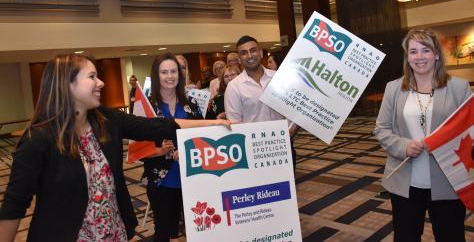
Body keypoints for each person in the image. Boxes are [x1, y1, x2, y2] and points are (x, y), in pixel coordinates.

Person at [0, 53, 231, 242]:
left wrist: (214, 122)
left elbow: (159, 126)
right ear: (67, 85)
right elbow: (14, 205)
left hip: (113, 234)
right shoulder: (38, 138)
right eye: (92, 76)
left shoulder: (105, 120)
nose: (101, 82)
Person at [374, 28, 472, 242]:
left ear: (436, 54)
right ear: (407, 57)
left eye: (425, 50)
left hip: (448, 181)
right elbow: (381, 129)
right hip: (405, 183)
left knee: (451, 237)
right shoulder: (393, 89)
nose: (419, 57)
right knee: (406, 238)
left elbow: (472, 130)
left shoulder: (459, 88)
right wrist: (403, 146)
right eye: (413, 52)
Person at [142, 52, 203, 242]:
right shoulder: (147, 106)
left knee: (199, 228)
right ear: (156, 75)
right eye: (164, 72)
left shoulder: (191, 104)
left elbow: (203, 136)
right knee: (164, 232)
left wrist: (188, 150)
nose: (170, 76)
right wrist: (159, 151)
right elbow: (137, 148)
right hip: (162, 182)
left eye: (174, 71)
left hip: (193, 177)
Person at [225, 35, 297, 168]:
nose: (249, 55)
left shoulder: (278, 77)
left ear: (261, 52)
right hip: (255, 151)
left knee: (287, 187)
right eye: (243, 53)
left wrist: (291, 129)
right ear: (239, 59)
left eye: (253, 50)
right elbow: (234, 124)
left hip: (284, 145)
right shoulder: (234, 87)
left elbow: (294, 109)